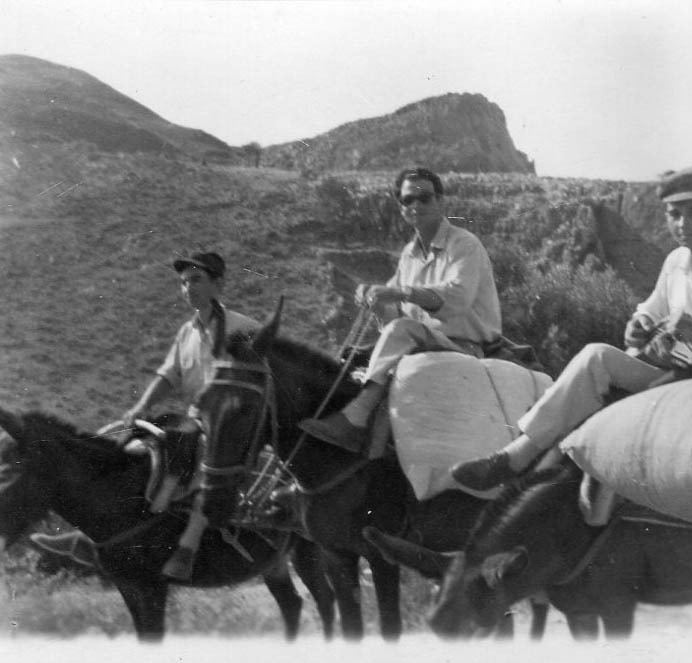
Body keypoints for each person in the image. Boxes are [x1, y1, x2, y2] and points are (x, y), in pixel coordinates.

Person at [451, 166, 692, 492]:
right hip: (676, 378)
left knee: (596, 358)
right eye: (674, 214)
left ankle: (517, 458)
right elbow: (650, 310)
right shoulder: (677, 261)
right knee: (611, 365)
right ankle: (540, 466)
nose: (682, 224)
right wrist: (639, 325)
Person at [32, 252, 259, 578]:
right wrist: (140, 408)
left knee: (195, 449)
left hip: (232, 425)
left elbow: (263, 382)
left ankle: (186, 545)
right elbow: (169, 376)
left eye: (196, 280)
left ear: (218, 284)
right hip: (196, 418)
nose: (188, 288)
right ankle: (92, 535)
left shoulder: (244, 329)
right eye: (183, 282)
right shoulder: (187, 332)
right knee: (134, 441)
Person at [299, 167, 502, 453]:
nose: (416, 205)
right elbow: (393, 314)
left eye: (424, 197)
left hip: (464, 346)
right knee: (352, 358)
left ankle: (356, 417)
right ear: (401, 207)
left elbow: (458, 299)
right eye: (408, 200)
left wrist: (401, 292)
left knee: (401, 331)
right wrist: (376, 300)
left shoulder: (464, 244)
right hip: (424, 344)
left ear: (440, 201)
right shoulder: (409, 254)